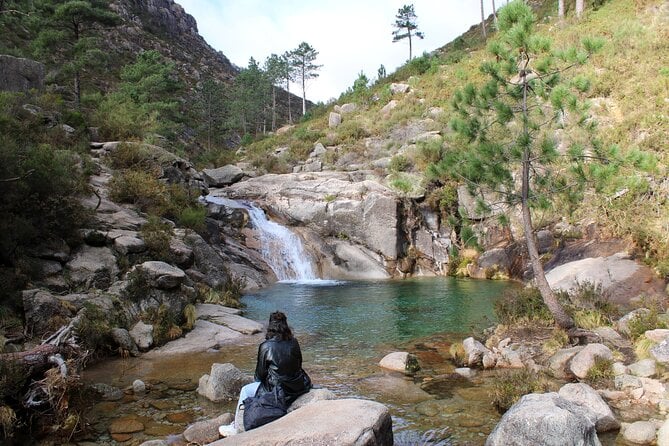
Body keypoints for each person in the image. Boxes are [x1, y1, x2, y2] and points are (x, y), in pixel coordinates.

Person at [219, 311, 312, 437]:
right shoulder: (294, 342)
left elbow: (259, 375)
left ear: (270, 327)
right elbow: (299, 364)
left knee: (245, 391)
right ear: (285, 326)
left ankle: (237, 427)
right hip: (297, 387)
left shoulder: (265, 346)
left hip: (278, 390)